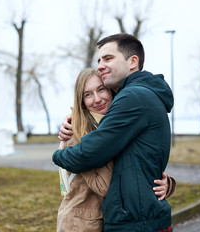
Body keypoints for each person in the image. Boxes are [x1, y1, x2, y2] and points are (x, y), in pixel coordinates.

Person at [53, 33, 174, 231]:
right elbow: (132, 162)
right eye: (88, 95)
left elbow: (107, 162)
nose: (101, 65)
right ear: (81, 101)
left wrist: (58, 155)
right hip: (83, 223)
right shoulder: (78, 128)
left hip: (135, 222)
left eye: (108, 58)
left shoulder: (131, 99)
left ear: (133, 61)